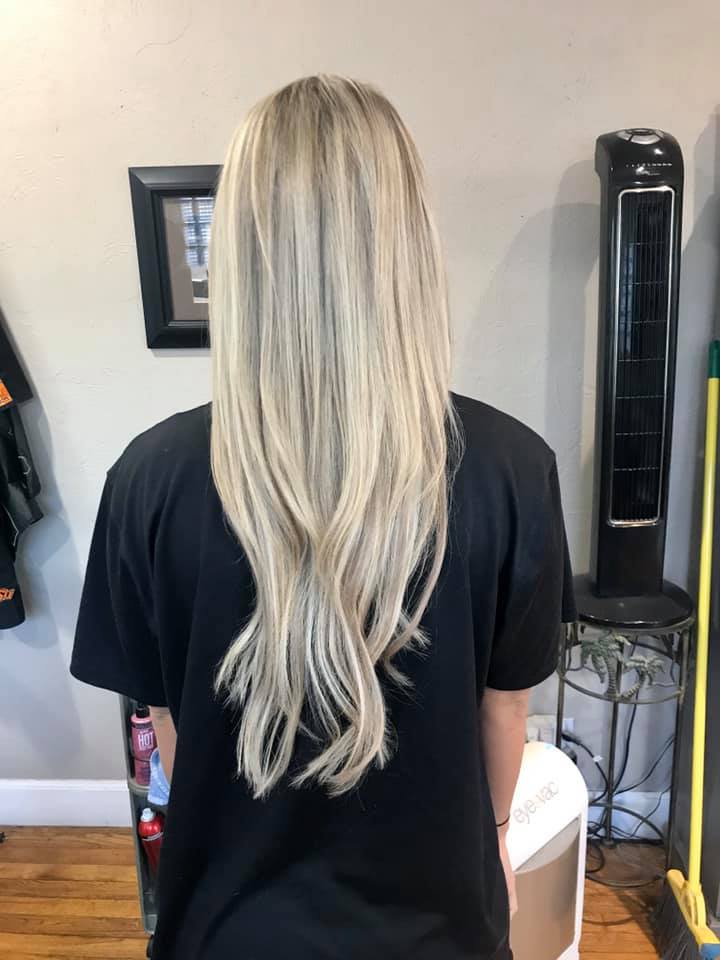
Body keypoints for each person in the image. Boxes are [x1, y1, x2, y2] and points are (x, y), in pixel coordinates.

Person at [71, 75, 575, 960]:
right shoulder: (512, 469)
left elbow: (171, 727)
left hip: (225, 928)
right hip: (439, 927)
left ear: (242, 250)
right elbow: (505, 710)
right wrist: (496, 836)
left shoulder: (150, 479)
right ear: (407, 244)